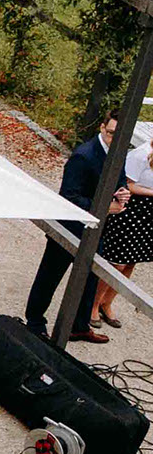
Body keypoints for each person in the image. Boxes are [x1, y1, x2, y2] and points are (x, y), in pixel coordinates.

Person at [27, 115, 117, 344]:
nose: (113, 138)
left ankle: (78, 325)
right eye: (110, 132)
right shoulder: (83, 156)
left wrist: (122, 191)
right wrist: (104, 206)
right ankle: (35, 322)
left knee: (90, 277)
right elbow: (69, 197)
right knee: (50, 275)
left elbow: (120, 178)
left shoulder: (117, 152)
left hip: (95, 229)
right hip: (69, 226)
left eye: (118, 135)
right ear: (102, 127)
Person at [91, 123, 153, 332]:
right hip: (132, 211)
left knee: (130, 263)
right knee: (116, 262)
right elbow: (127, 184)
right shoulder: (141, 154)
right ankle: (93, 304)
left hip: (148, 215)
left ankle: (107, 302)